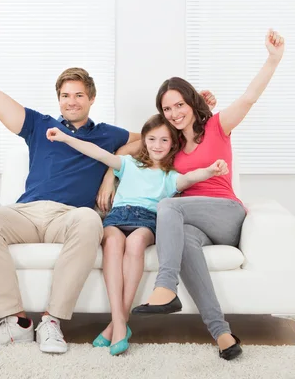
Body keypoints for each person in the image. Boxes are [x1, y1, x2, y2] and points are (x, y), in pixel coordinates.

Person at [0, 12, 142, 354]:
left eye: (79, 95)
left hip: (70, 217)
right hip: (27, 213)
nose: (71, 101)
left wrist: (110, 171)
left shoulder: (106, 134)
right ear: (58, 99)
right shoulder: (38, 125)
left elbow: (150, 140)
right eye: (65, 95)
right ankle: (16, 323)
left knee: (91, 221)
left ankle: (51, 321)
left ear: (91, 98)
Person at [127, 29, 285, 361]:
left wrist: (272, 60)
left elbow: (249, 97)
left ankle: (165, 287)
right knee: (183, 239)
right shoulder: (169, 144)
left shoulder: (217, 126)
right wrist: (105, 181)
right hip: (192, 219)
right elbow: (133, 146)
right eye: (167, 109)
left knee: (169, 205)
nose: (173, 113)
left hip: (225, 213)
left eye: (179, 105)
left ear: (191, 102)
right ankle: (222, 333)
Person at [46, 115, 229, 355]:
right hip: (117, 217)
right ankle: (119, 322)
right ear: (144, 141)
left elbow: (191, 177)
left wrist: (210, 170)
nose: (157, 145)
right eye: (152, 139)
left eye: (164, 140)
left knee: (134, 243)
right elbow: (97, 153)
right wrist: (65, 138)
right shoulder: (128, 164)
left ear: (173, 145)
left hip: (146, 221)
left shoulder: (170, 176)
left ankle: (116, 326)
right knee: (112, 242)